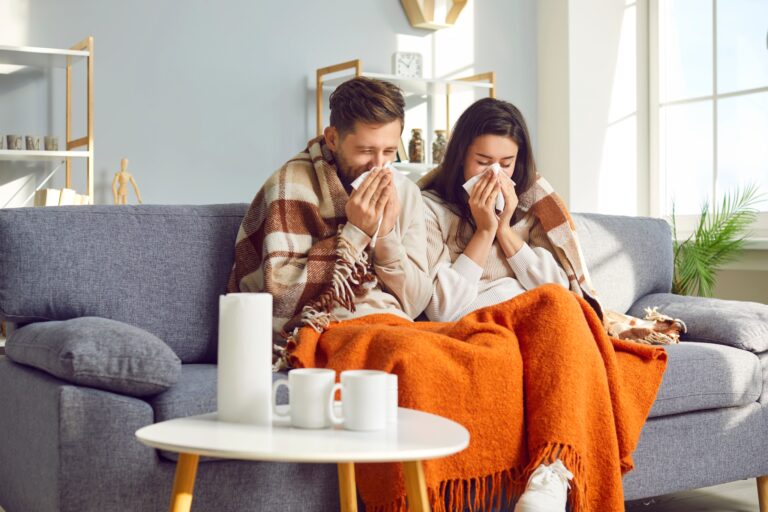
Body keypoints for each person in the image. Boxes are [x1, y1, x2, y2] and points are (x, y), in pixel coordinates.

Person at [419, 97, 677, 511]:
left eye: (506, 163)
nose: (495, 174)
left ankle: (550, 475)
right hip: (478, 325)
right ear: (459, 158)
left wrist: (505, 231)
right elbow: (443, 310)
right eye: (482, 161)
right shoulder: (430, 208)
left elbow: (563, 287)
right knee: (556, 312)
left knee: (561, 310)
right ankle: (552, 475)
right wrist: (482, 232)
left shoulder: (533, 208)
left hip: (544, 323)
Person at [228, 77, 432, 366]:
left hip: (393, 324)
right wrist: (355, 232)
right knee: (410, 358)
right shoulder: (290, 187)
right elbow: (278, 305)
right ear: (333, 138)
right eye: (365, 150)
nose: (378, 165)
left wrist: (385, 235)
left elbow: (416, 303)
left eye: (389, 152)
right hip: (319, 329)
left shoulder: (405, 192)